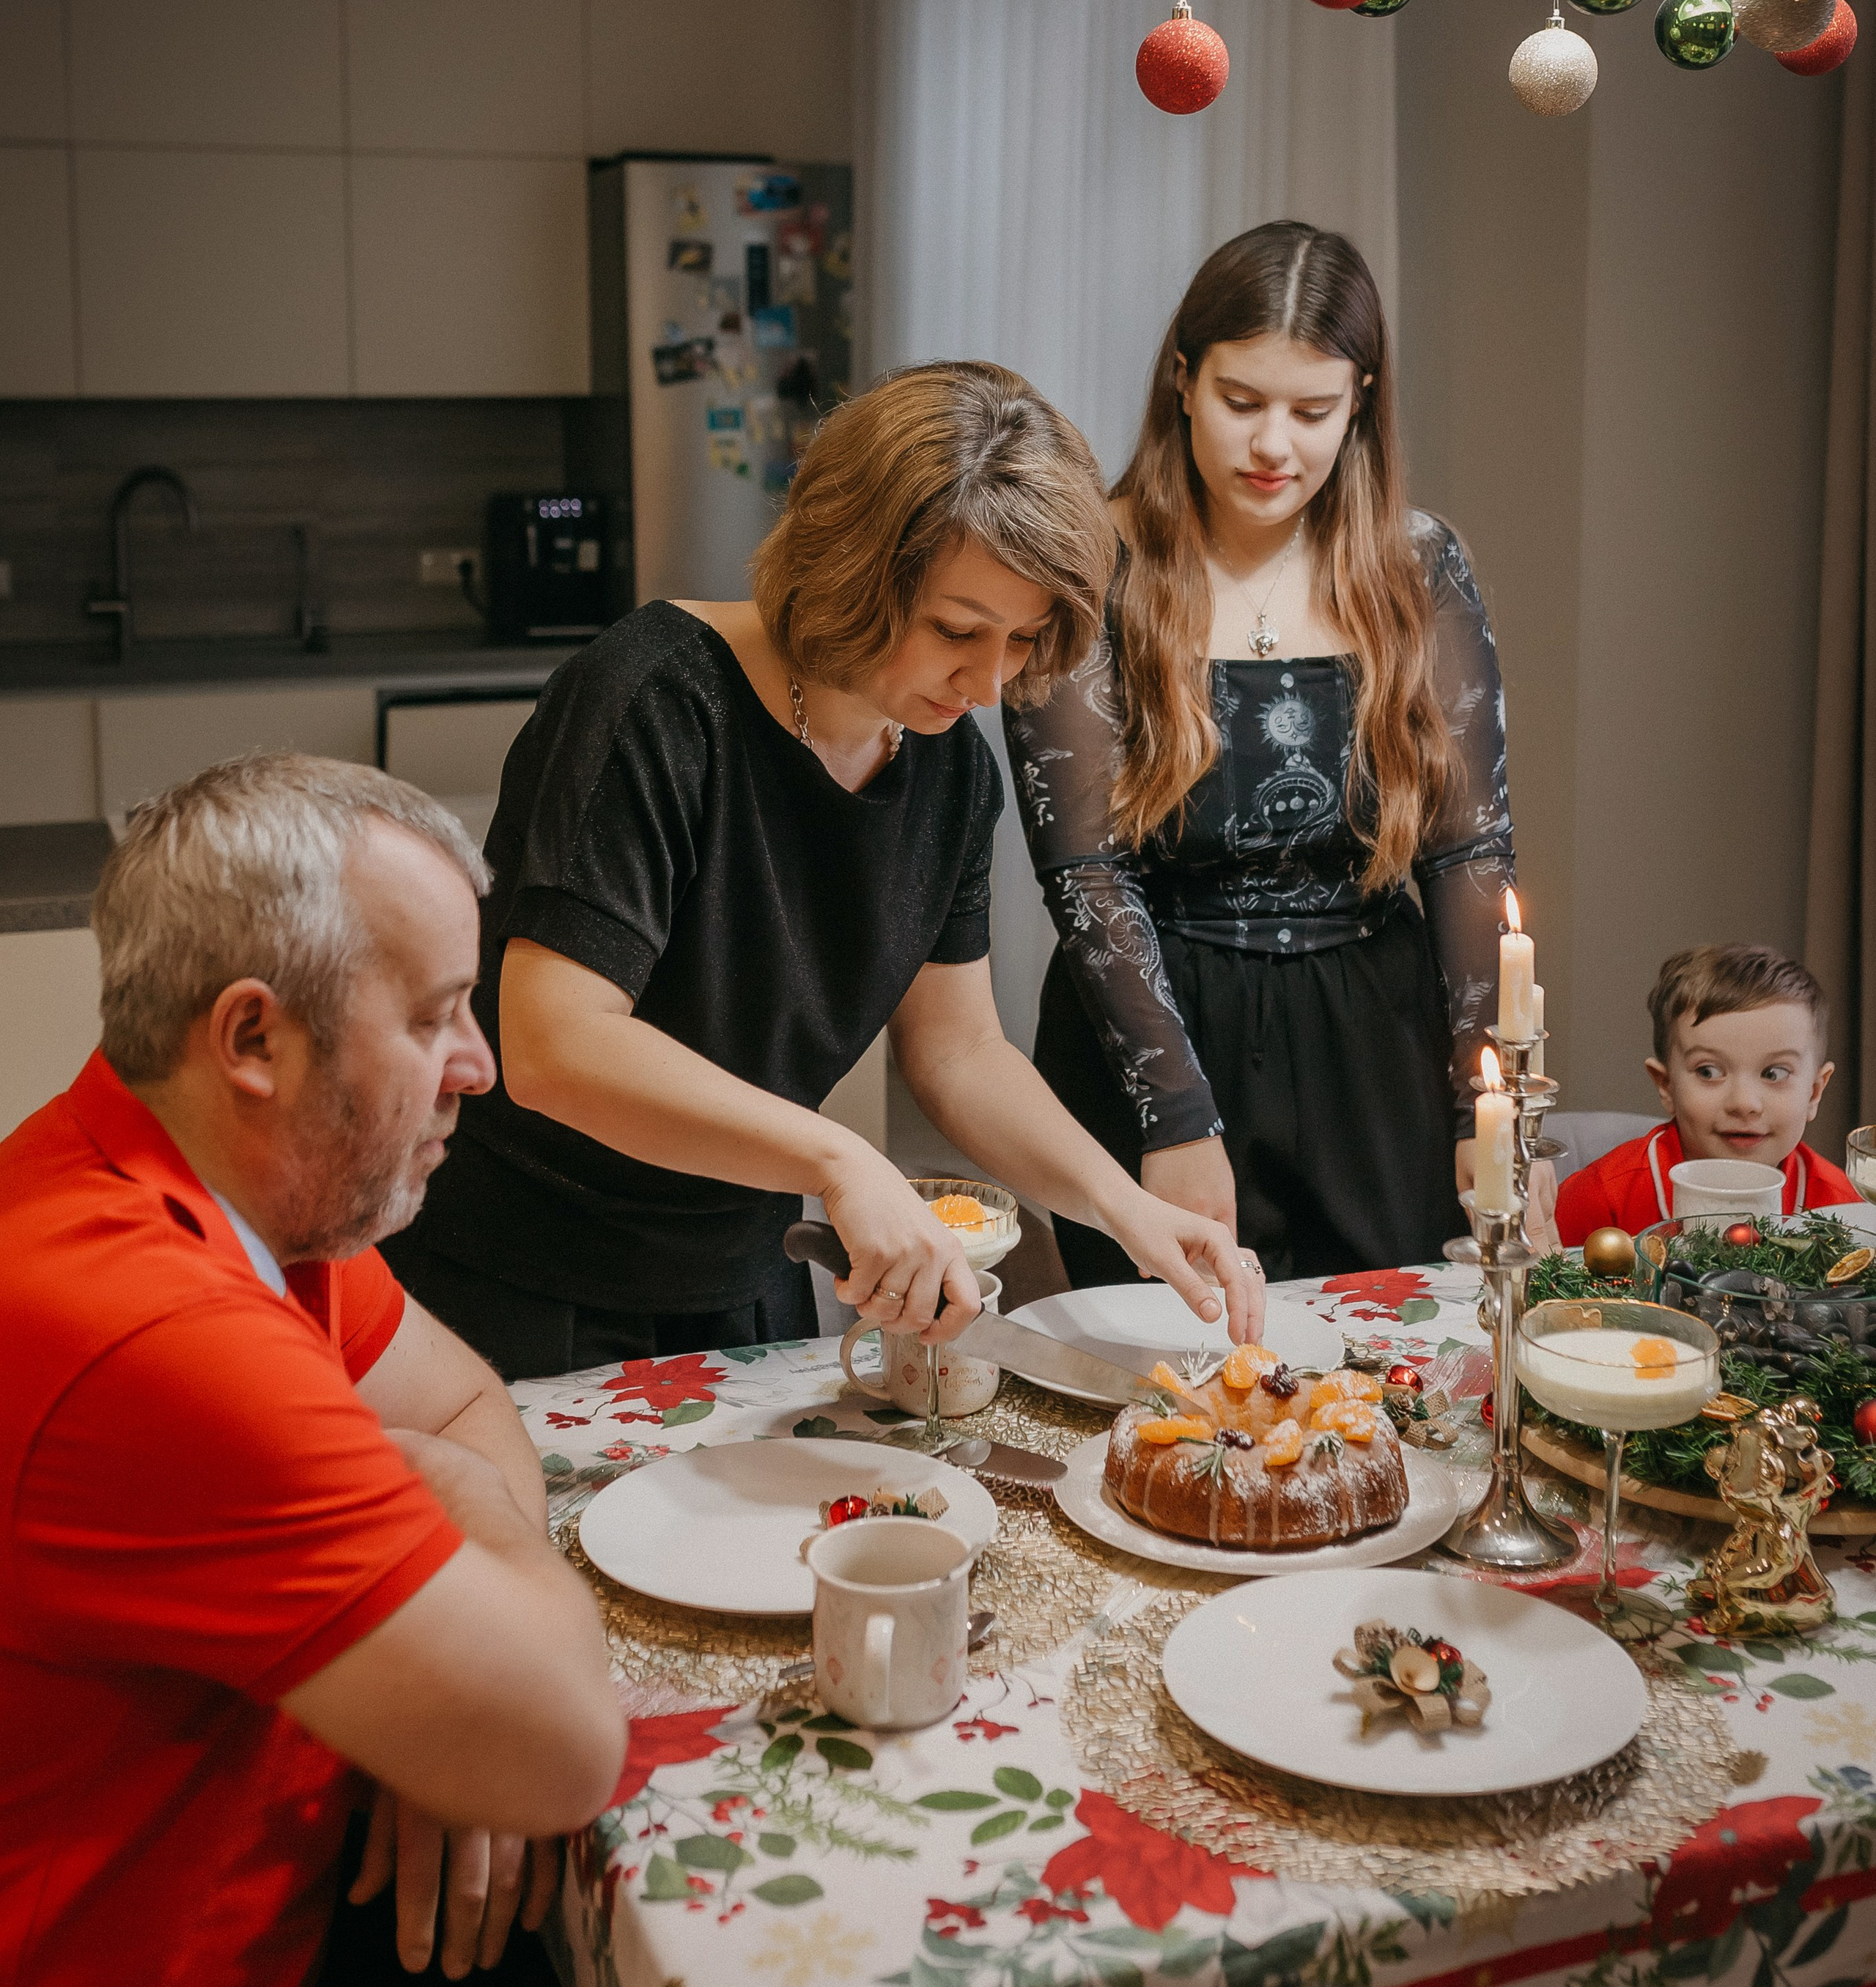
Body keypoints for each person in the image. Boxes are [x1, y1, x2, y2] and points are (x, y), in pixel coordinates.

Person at [388, 363, 1259, 1383]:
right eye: (956, 630)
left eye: (1023, 640)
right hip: (528, 1270)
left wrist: (1123, 1205)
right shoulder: (652, 699)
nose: (988, 684)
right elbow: (554, 1044)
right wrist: (838, 1157)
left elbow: (960, 1050)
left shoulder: (950, 774)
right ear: (851, 567)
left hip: (740, 1263)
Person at [0, 755, 623, 1987]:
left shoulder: (218, 1184)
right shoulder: (153, 1335)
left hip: (285, 1929)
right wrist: (465, 1630)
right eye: (437, 1014)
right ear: (253, 1040)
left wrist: (440, 1722)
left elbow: (466, 1402)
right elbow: (565, 1745)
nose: (480, 1067)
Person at [1005, 221, 1523, 1286]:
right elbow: (1085, 869)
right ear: (1183, 379)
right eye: (1242, 401)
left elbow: (1469, 849)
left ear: (1361, 400)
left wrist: (1488, 1099)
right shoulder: (1091, 563)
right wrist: (1175, 1112)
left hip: (1375, 1037)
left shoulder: (1420, 564)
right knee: (1164, 1364)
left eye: (1312, 410)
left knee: (1382, 1356)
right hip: (1155, 1027)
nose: (1272, 445)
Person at [1554, 944, 1852, 1240]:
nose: (1744, 1103)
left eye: (1774, 1074)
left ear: (1814, 1093)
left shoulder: (1844, 1210)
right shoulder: (1600, 1197)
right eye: (1708, 1072)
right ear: (1666, 1085)